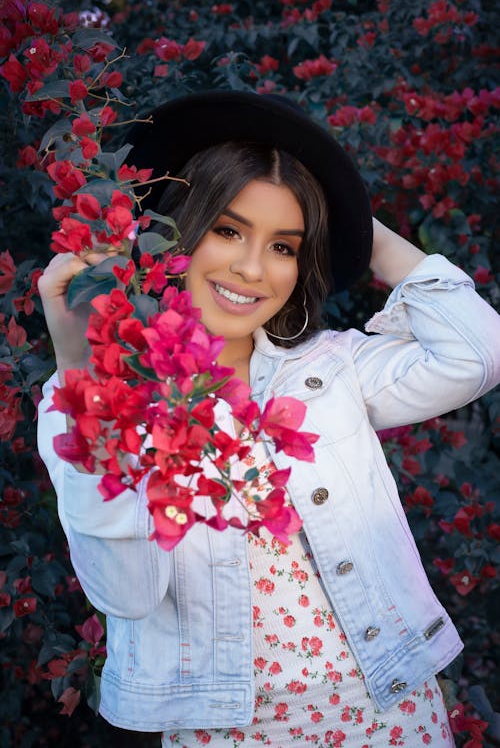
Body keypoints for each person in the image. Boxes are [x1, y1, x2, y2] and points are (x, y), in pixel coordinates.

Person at [38, 91, 500, 747]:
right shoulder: (104, 405)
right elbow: (127, 592)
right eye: (227, 230)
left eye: (284, 246)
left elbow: (480, 352)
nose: (253, 268)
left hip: (389, 714)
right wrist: (78, 363)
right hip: (231, 731)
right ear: (176, 232)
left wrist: (353, 222)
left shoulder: (331, 370)